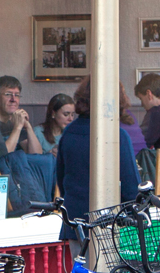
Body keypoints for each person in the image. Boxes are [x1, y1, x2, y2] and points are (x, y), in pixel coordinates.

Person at [53, 77, 141, 244]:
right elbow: (131, 186)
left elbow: (62, 178)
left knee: (79, 269)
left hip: (74, 222)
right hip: (108, 225)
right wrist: (141, 216)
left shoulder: (69, 132)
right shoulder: (117, 136)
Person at [0, 76, 43, 163]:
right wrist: (17, 128)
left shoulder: (15, 119)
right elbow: (0, 158)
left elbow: (37, 155)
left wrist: (27, 126)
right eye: (8, 94)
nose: (13, 99)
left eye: (17, 95)